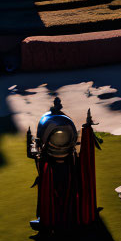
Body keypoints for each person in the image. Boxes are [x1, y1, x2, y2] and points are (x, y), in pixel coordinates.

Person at [27, 98, 101, 232]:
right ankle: (71, 215)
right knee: (68, 188)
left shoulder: (49, 121)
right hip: (65, 161)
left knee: (53, 190)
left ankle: (49, 218)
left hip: (54, 163)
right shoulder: (65, 121)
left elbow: (39, 145)